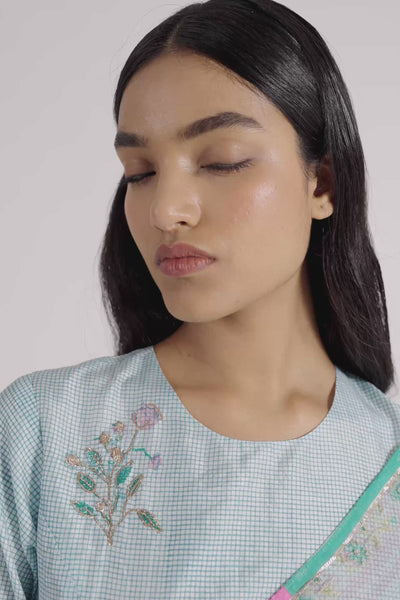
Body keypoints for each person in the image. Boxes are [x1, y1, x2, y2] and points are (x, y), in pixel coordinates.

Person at [1, 0, 399, 598]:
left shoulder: (386, 455)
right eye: (140, 172)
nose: (165, 210)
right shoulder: (43, 429)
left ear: (323, 183)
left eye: (221, 161)